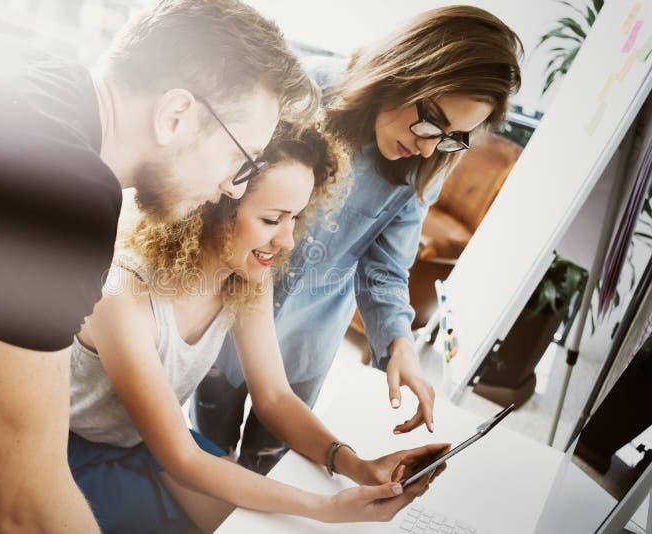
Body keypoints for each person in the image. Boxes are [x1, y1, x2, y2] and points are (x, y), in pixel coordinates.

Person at [0, 0, 317, 531]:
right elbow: (21, 508)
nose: (231, 187)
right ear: (175, 116)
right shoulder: (67, 196)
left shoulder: (28, 73)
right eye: (243, 159)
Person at [67, 122, 450, 533]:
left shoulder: (245, 275)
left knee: (260, 523)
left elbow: (274, 397)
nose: (287, 240)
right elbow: (183, 458)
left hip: (147, 442)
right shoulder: (124, 294)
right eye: (272, 219)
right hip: (65, 451)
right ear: (213, 204)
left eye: (296, 218)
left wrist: (356, 465)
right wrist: (327, 506)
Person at [194, 5, 524, 474]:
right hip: (226, 321)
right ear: (407, 67)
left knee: (269, 467)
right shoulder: (302, 94)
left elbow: (386, 269)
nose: (430, 145)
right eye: (433, 120)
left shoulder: (424, 165)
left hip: (305, 342)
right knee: (207, 449)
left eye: (454, 137)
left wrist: (401, 344)